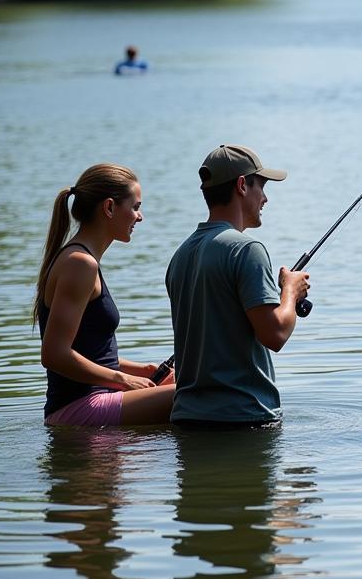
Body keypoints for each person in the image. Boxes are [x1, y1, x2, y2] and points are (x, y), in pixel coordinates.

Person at [166, 144, 310, 427]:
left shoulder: (180, 255)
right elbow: (275, 335)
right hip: (244, 420)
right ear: (242, 185)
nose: (265, 198)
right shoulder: (247, 249)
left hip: (186, 420)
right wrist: (290, 291)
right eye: (262, 187)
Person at [35, 163, 175, 427]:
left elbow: (89, 353)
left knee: (185, 382)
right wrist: (122, 380)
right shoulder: (80, 264)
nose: (140, 216)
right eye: (135, 207)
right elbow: (53, 354)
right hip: (78, 409)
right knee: (199, 393)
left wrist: (141, 370)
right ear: (109, 208)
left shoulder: (82, 261)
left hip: (95, 401)